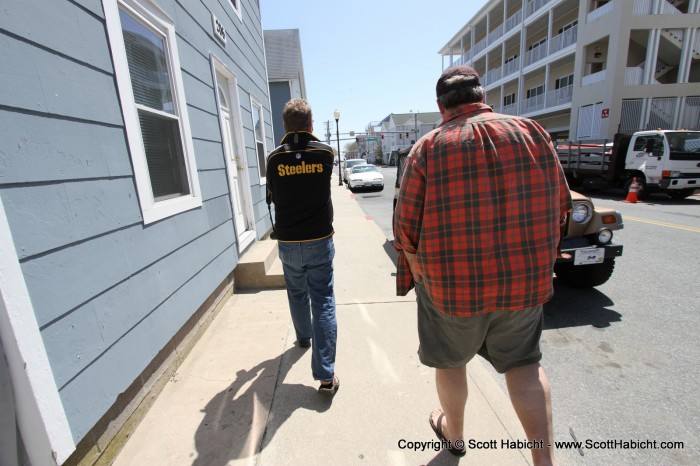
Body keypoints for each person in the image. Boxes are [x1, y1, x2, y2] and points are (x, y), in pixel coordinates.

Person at [393, 66, 571, 464]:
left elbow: (405, 228)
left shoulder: (428, 148)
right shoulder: (533, 133)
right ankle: (544, 462)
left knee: (451, 363)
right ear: (483, 95)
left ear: (441, 106)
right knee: (524, 366)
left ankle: (454, 436)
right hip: (523, 287)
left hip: (451, 291)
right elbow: (562, 206)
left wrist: (419, 274)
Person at [266, 99, 339, 395]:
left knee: (297, 293)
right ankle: (324, 376)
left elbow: (271, 193)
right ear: (311, 125)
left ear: (284, 126)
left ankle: (303, 338)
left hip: (287, 241)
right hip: (319, 240)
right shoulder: (324, 153)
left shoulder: (273, 158)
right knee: (322, 300)